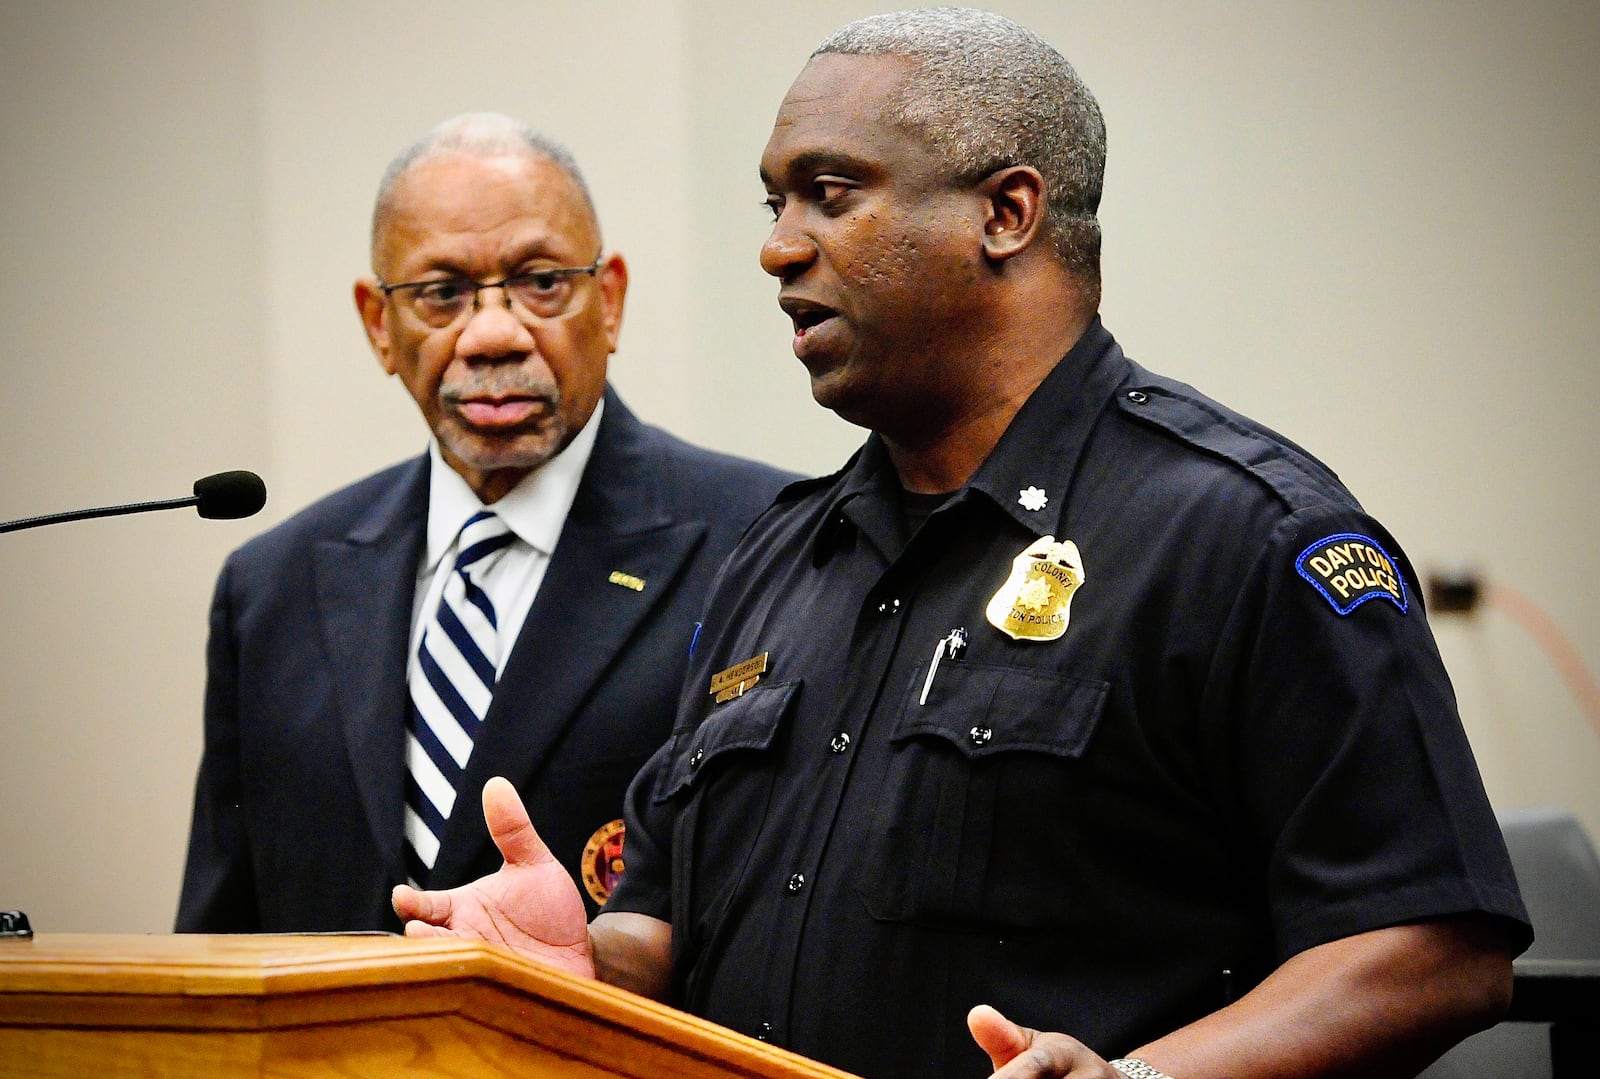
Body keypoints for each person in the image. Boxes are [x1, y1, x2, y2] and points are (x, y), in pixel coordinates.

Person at [391, 14, 1532, 1079]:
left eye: (829, 195)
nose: (779, 248)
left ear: (1006, 212)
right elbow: (668, 914)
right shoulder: (780, 554)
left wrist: (1142, 1077)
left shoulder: (1239, 533)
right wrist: (583, 960)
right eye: (775, 204)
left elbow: (1432, 942)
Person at [176, 113, 796, 934]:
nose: (494, 333)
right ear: (378, 325)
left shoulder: (767, 542)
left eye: (542, 282)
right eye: (442, 294)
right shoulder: (271, 586)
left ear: (607, 301)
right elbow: (220, 941)